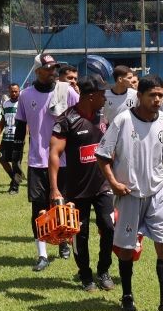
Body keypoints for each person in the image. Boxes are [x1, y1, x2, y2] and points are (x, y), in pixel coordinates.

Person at [97, 76, 163, 311]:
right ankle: (127, 294)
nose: (157, 100)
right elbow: (102, 155)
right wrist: (114, 183)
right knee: (126, 250)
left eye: (160, 96)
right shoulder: (122, 120)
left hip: (158, 194)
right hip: (129, 194)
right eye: (152, 95)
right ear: (139, 96)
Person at [48, 76, 115, 292]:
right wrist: (55, 189)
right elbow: (54, 153)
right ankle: (85, 275)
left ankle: (103, 271)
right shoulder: (66, 119)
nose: (106, 97)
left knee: (108, 226)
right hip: (77, 190)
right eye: (102, 94)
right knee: (80, 233)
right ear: (91, 96)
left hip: (103, 186)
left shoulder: (103, 117)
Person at [15, 53, 79, 271]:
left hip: (64, 160)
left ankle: (63, 241)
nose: (52, 72)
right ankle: (42, 254)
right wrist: (15, 159)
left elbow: (79, 119)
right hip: (37, 161)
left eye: (54, 68)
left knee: (63, 205)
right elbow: (19, 128)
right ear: (37, 71)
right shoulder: (25, 95)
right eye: (48, 68)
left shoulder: (66, 91)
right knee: (39, 209)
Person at [0, 82, 24, 195]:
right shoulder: (5, 104)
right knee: (2, 160)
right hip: (6, 138)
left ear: (19, 91)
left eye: (16, 91)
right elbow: (2, 121)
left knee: (15, 163)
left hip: (17, 138)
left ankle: (15, 187)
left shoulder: (22, 104)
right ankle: (14, 179)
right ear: (9, 91)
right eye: (12, 91)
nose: (14, 93)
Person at [102, 65, 137, 129]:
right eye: (129, 78)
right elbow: (103, 117)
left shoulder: (135, 94)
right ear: (120, 79)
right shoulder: (105, 95)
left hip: (130, 133)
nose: (131, 80)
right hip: (111, 133)